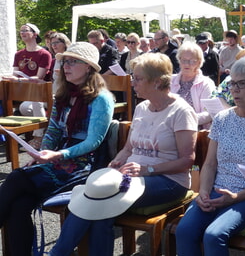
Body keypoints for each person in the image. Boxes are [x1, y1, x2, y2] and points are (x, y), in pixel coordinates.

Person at [49, 52, 198, 255]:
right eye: (132, 77)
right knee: (95, 204)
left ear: (157, 82)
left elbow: (187, 161)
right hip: (130, 176)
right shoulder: (143, 107)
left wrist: (148, 169)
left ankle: (57, 253)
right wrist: (117, 161)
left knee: (102, 202)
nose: (132, 82)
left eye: (137, 78)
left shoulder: (181, 111)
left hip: (169, 181)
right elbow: (129, 148)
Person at [0, 42, 114, 255]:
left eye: (73, 61)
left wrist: (58, 154)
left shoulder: (101, 99)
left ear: (88, 67)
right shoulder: (63, 94)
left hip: (83, 165)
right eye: (65, 61)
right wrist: (40, 153)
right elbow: (53, 130)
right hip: (58, 159)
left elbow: (93, 143)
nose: (65, 66)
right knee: (18, 207)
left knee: (16, 178)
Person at [175, 56, 245, 255]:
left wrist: (234, 198)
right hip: (218, 191)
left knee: (214, 234)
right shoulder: (222, 119)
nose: (234, 89)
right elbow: (209, 164)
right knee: (184, 231)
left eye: (242, 83)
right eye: (233, 83)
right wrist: (204, 193)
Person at [5, 23, 53, 149]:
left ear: (35, 34)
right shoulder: (18, 54)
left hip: (42, 93)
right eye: (20, 31)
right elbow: (15, 74)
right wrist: (10, 78)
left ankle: (39, 136)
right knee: (25, 108)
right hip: (25, 94)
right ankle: (44, 131)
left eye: (25, 30)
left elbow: (39, 77)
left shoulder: (44, 54)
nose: (22, 33)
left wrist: (19, 80)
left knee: (36, 103)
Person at [171, 41, 216, 129]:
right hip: (169, 128)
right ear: (179, 60)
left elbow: (209, 113)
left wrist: (184, 120)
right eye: (184, 60)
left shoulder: (206, 83)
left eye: (192, 61)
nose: (187, 64)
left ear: (199, 63)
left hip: (194, 130)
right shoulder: (170, 80)